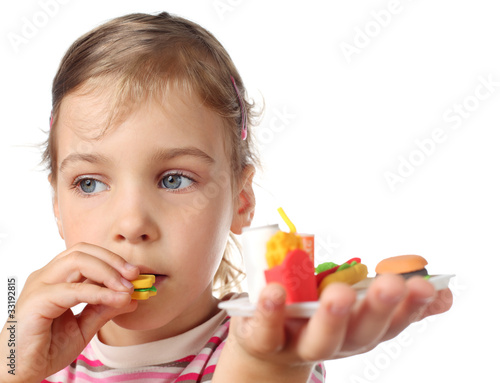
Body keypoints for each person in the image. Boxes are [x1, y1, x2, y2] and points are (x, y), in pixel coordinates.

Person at [0, 11, 452, 383]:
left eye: (174, 179)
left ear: (241, 201)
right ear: (56, 206)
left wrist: (265, 365)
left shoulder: (268, 345)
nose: (131, 222)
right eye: (90, 183)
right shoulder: (34, 355)